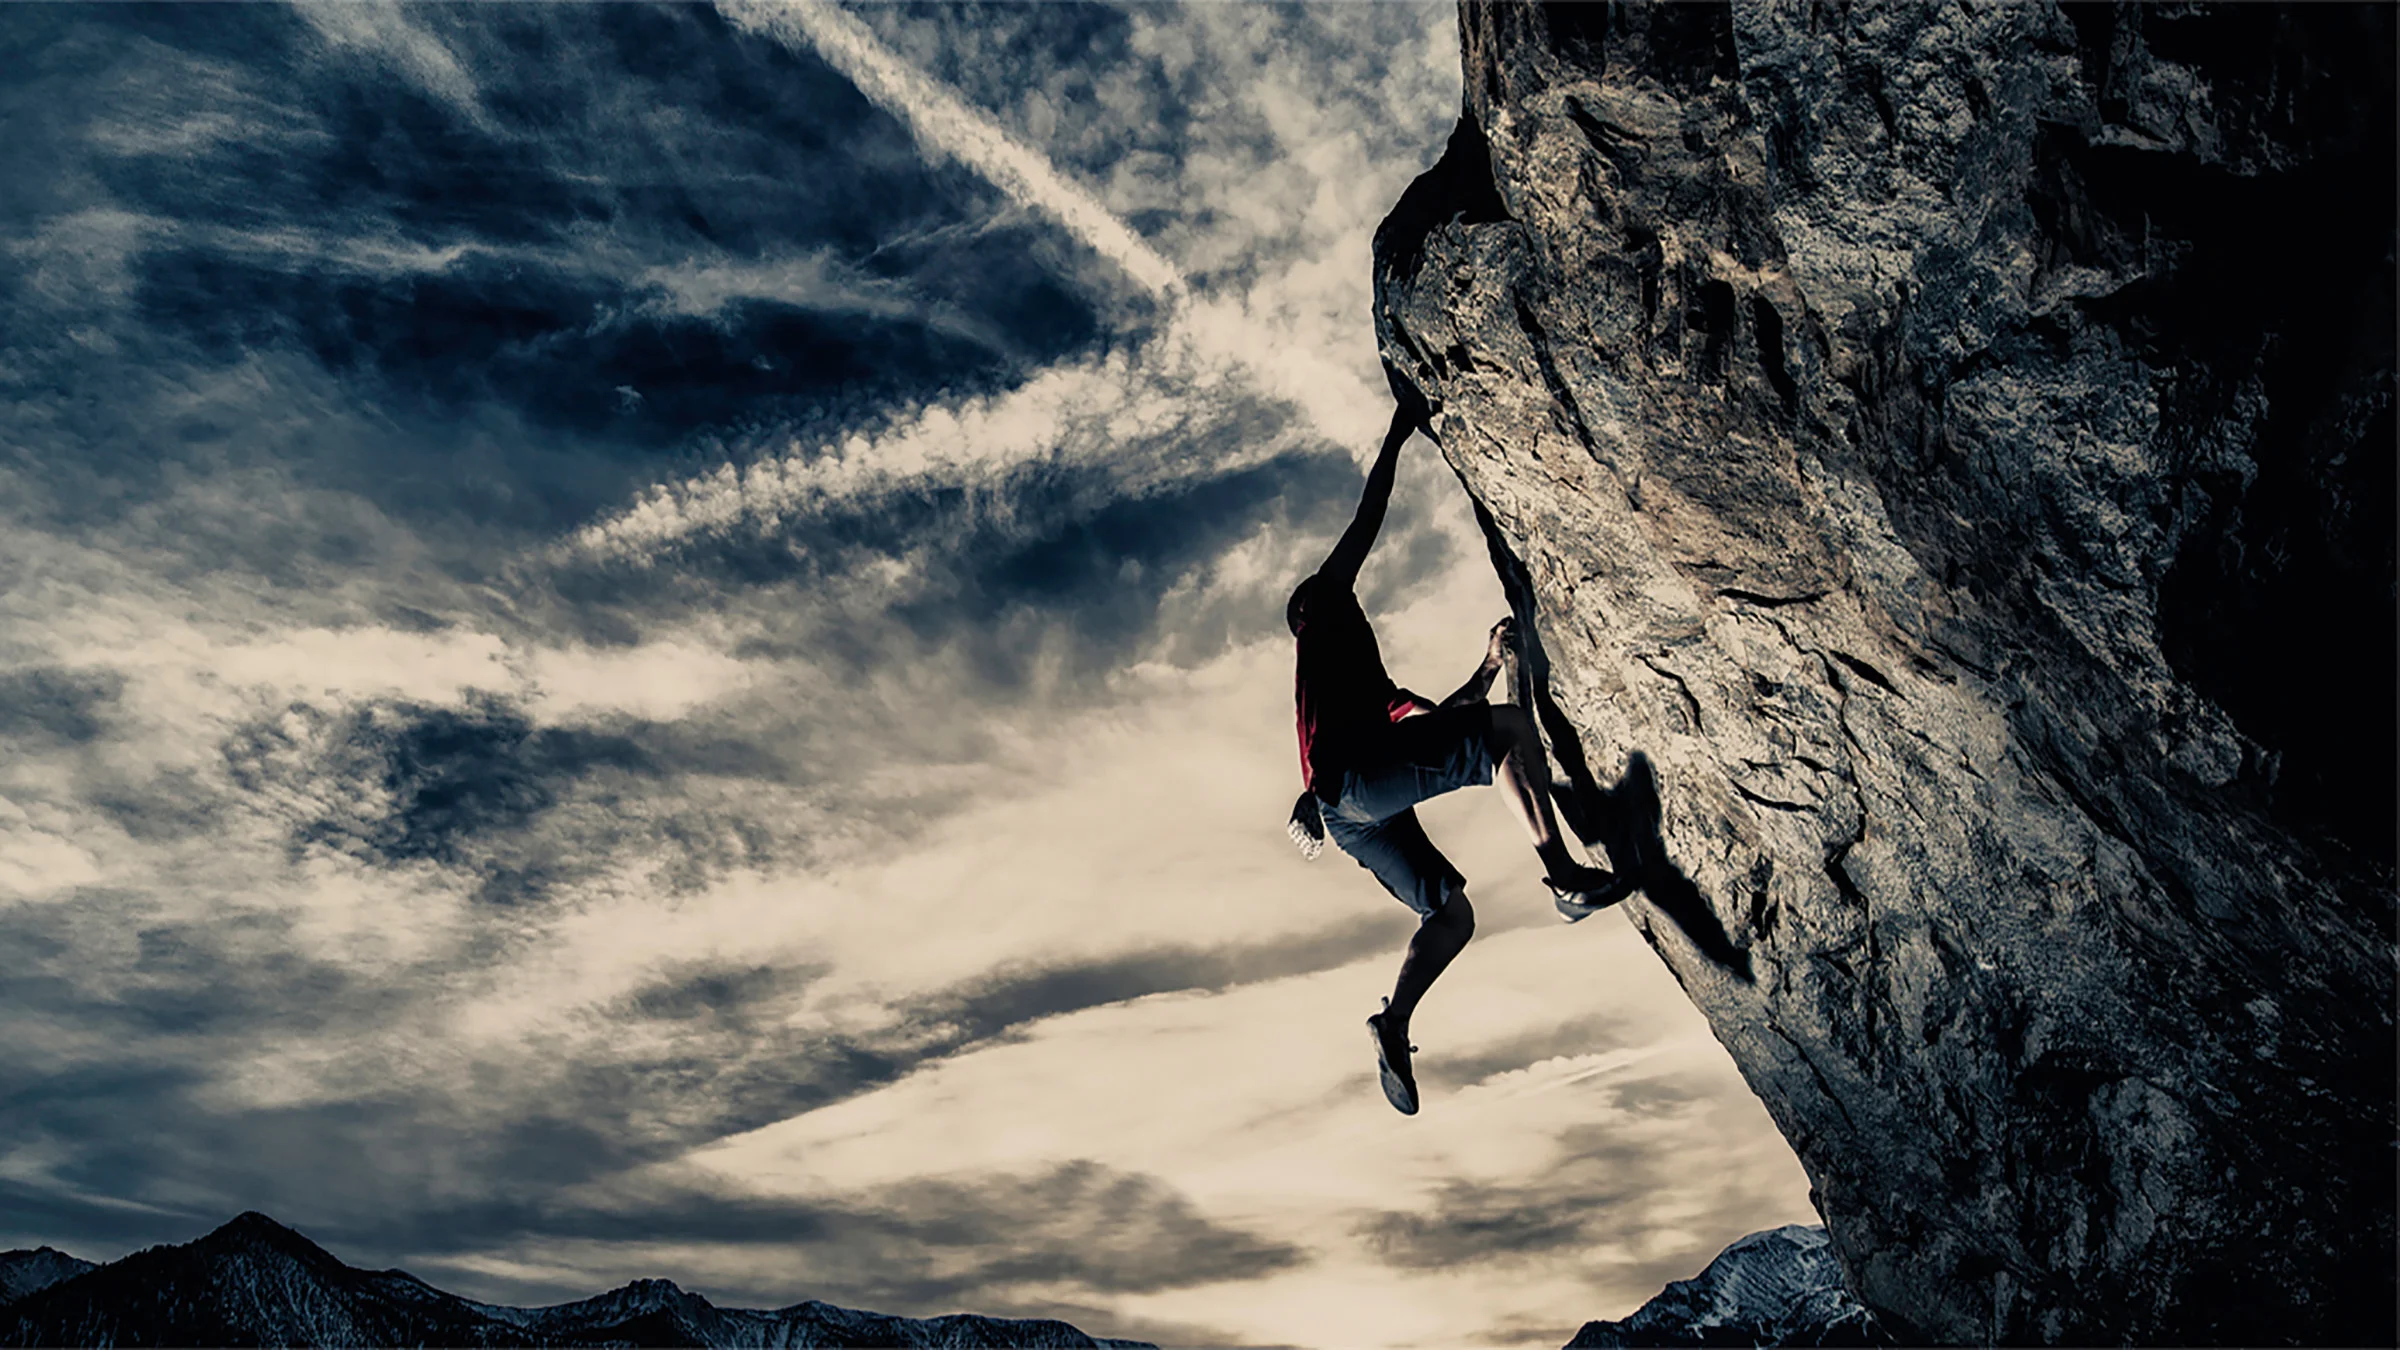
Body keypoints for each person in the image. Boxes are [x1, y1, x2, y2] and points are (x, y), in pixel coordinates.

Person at [1287, 400, 1632, 1117]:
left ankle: (1396, 1021)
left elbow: (1438, 731)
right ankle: (1564, 876)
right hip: (1353, 787)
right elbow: (1366, 521)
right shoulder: (1323, 609)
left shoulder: (1363, 687)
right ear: (1312, 609)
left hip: (1352, 810)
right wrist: (1396, 431)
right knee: (1504, 734)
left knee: (1451, 915)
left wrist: (1486, 667)